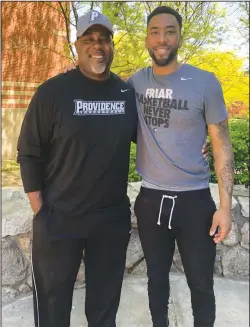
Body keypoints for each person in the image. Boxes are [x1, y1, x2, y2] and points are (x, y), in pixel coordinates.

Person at [17, 11, 138, 327]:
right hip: (60, 219)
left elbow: (152, 141)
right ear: (77, 45)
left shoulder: (126, 95)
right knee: (53, 311)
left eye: (104, 39)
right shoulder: (52, 93)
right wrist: (41, 210)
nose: (97, 46)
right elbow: (28, 152)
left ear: (112, 45)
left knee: (104, 310)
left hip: (110, 221)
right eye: (90, 39)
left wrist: (194, 145)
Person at [127, 6, 234, 327]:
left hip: (195, 202)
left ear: (180, 36)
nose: (162, 39)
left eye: (170, 31)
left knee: (201, 284)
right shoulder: (134, 84)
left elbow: (222, 144)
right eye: (155, 31)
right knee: (156, 281)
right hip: (150, 201)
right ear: (147, 38)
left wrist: (226, 207)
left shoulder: (204, 82)